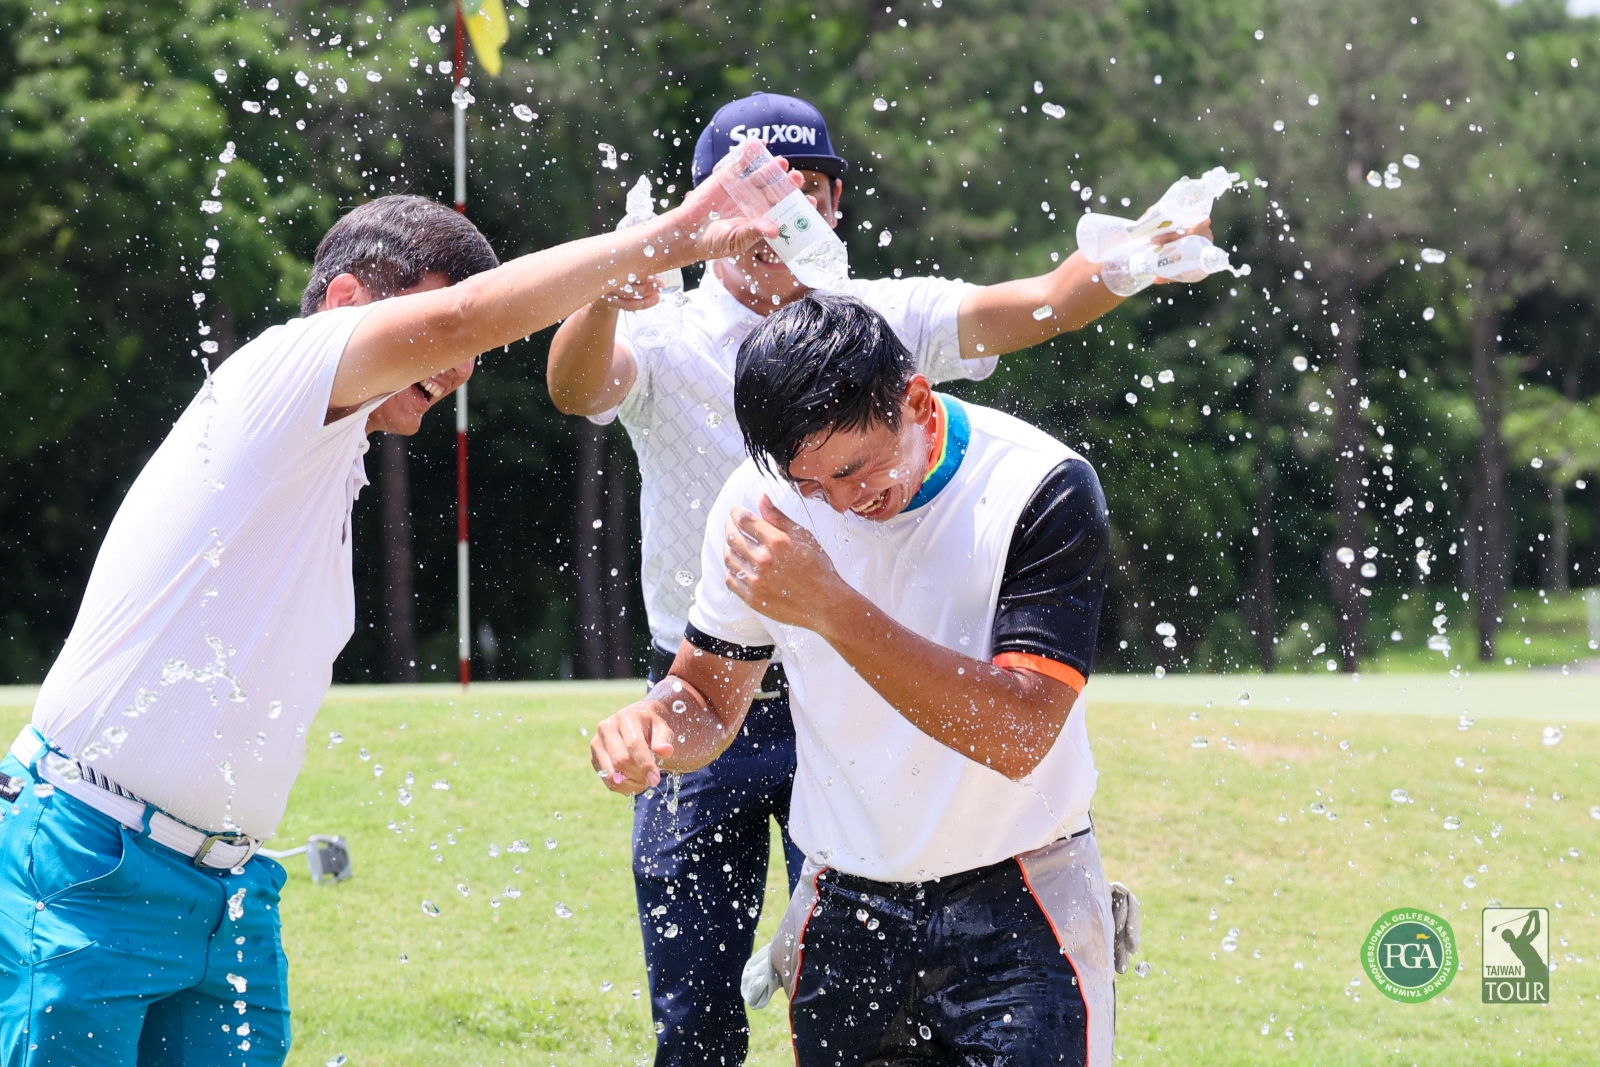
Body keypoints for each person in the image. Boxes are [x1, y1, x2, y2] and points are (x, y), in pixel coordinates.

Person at [0, 182, 791, 1066]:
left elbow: (457, 324)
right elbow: (462, 319)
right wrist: (673, 237)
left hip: (227, 887)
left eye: (472, 354)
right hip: (87, 858)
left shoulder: (324, 453)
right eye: (447, 336)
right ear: (346, 304)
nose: (462, 370)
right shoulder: (279, 371)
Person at [547, 91, 1205, 1067]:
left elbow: (1046, 303)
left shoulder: (903, 337)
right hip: (733, 673)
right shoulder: (710, 404)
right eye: (747, 197)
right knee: (693, 1007)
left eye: (797, 193)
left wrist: (1136, 251)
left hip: (976, 818)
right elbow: (575, 392)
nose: (829, 500)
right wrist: (659, 721)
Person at [591, 292, 1119, 1066]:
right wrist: (653, 726)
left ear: (914, 398)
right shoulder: (761, 504)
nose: (841, 503)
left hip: (1024, 895)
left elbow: (1018, 733)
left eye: (854, 468)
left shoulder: (1039, 485)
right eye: (812, 485)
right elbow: (706, 696)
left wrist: (831, 607)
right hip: (846, 903)